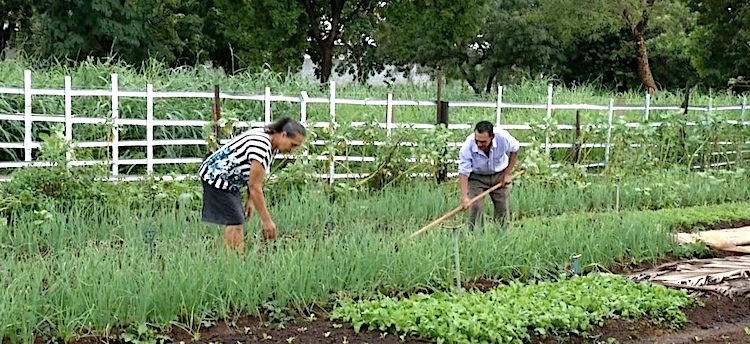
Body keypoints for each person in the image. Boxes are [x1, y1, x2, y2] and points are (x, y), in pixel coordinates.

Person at [198, 116, 306, 252]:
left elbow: (252, 177)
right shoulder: (261, 147)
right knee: (235, 221)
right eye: (293, 145)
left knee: (236, 219)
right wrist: (267, 221)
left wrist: (250, 201)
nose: (292, 150)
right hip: (215, 176)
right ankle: (233, 263)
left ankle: (231, 260)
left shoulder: (269, 140)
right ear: (283, 135)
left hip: (230, 180)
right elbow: (255, 187)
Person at [457, 120, 520, 229]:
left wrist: (507, 174)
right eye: (477, 141)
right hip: (477, 177)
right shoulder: (468, 145)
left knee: (502, 208)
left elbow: (515, 149)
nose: (479, 144)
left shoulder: (503, 137)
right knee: (475, 206)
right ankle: (475, 236)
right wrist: (464, 197)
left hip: (499, 175)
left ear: (492, 137)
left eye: (483, 142)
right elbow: (463, 171)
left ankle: (502, 233)